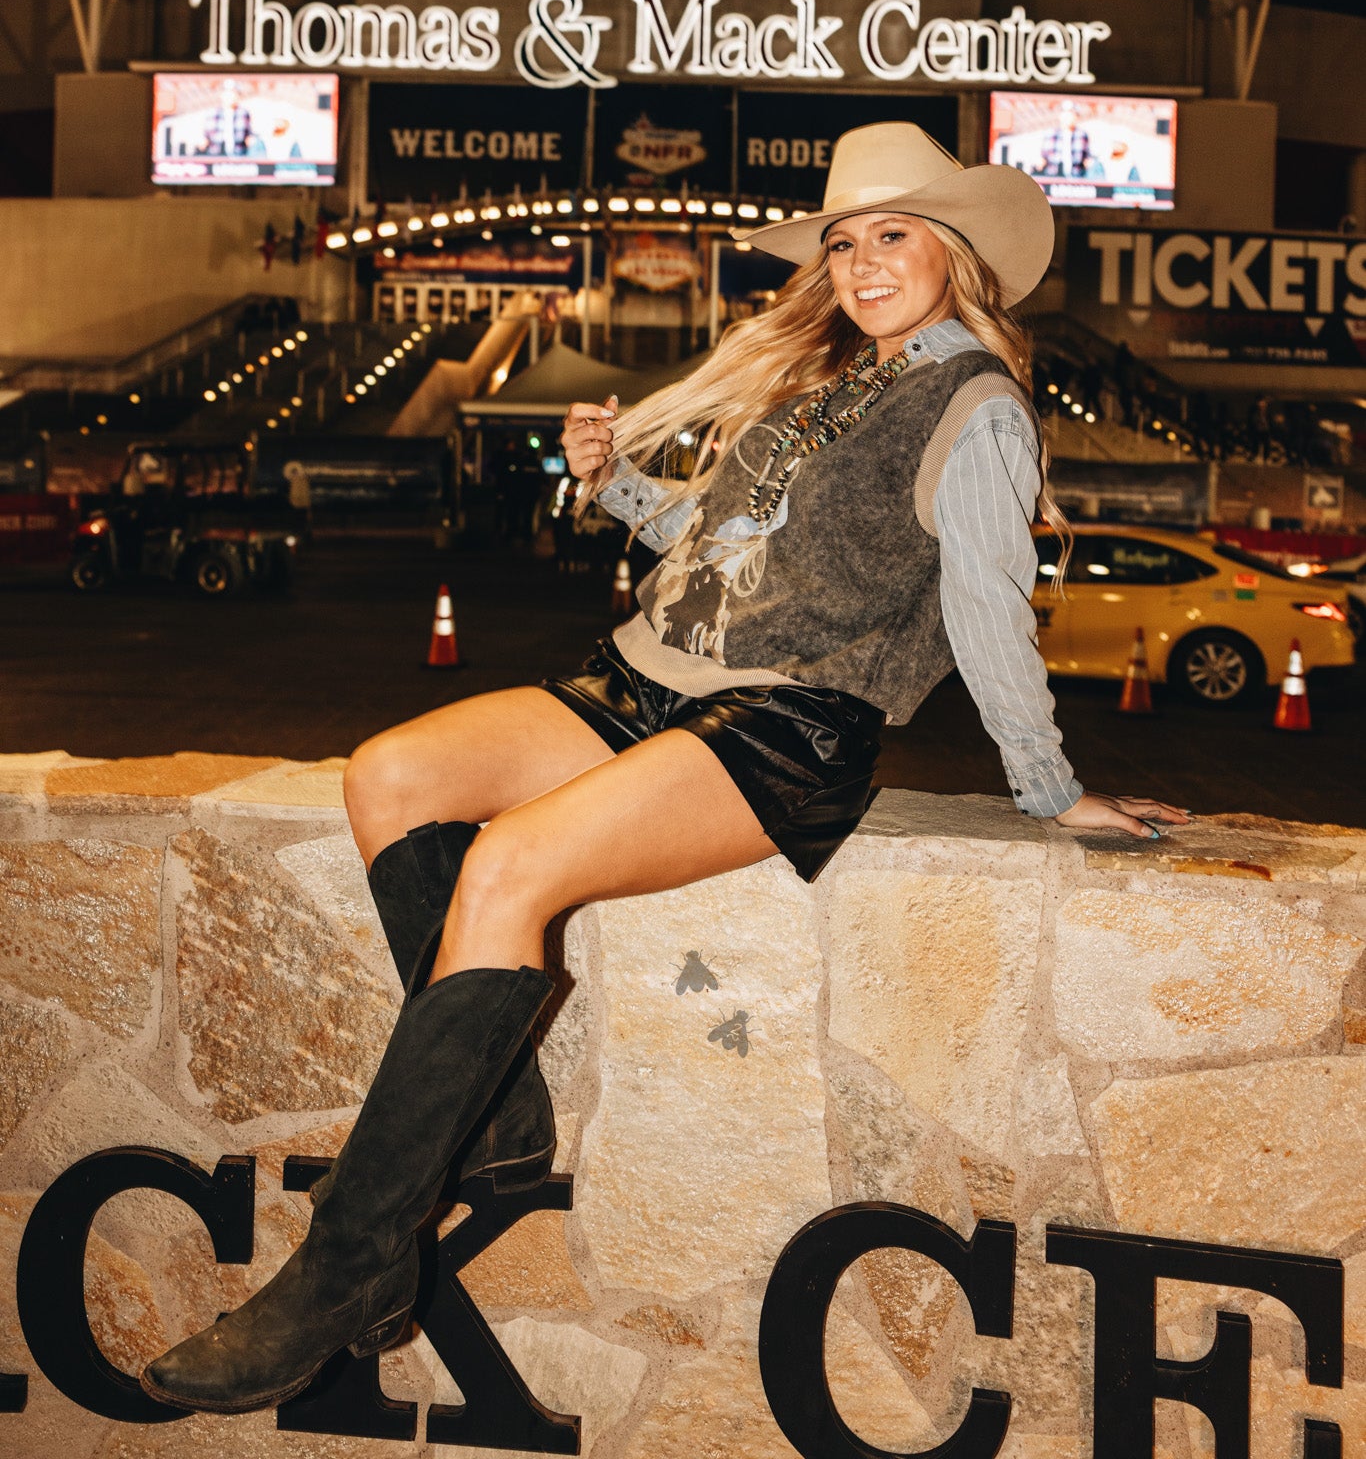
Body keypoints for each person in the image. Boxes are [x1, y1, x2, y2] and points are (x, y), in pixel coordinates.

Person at [141, 122, 1189, 1416]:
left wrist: (1048, 786)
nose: (862, 262)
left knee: (507, 866)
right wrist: (620, 486)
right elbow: (726, 539)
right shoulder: (834, 380)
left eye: (894, 234)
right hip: (642, 680)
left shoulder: (975, 408)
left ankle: (350, 1267)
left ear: (955, 254)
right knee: (390, 775)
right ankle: (499, 1114)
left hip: (783, 726)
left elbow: (985, 606)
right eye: (844, 241)